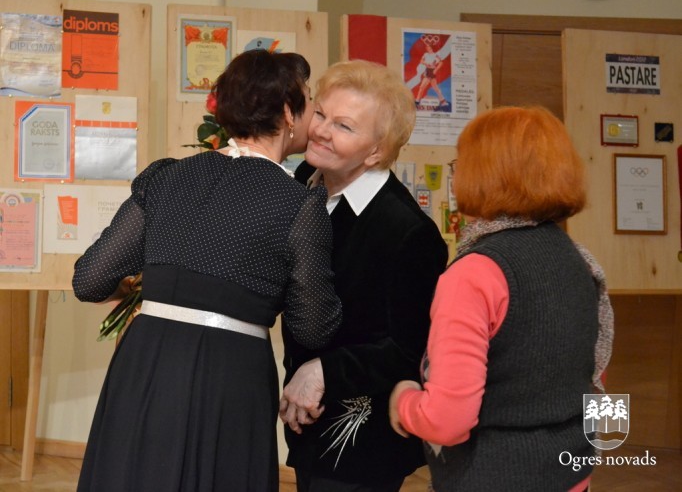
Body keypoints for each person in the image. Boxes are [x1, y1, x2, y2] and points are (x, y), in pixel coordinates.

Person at [72, 49, 342, 492]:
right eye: (310, 99)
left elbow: (89, 280)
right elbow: (313, 328)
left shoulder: (166, 177)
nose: (314, 110)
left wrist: (155, 290)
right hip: (230, 373)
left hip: (144, 360)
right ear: (288, 113)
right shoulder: (298, 204)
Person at [389, 106, 614, 491]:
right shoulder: (580, 261)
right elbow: (592, 375)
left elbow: (447, 420)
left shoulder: (475, 274)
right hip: (572, 473)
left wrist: (405, 402)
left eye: (461, 164)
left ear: (483, 174)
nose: (456, 176)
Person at [279, 60, 449, 491]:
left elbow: (410, 348)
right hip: (307, 425)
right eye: (321, 114)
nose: (320, 131)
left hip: (362, 441)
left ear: (376, 151)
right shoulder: (306, 182)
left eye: (344, 126)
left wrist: (324, 371)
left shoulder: (408, 232)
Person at [414, 41, 449, 111]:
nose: (428, 49)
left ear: (432, 48)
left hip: (431, 71)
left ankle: (417, 101)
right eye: (427, 48)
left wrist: (435, 70)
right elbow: (421, 61)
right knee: (435, 88)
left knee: (422, 87)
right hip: (427, 70)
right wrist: (426, 63)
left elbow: (441, 63)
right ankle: (443, 102)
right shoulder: (425, 54)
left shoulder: (436, 55)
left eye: (429, 48)